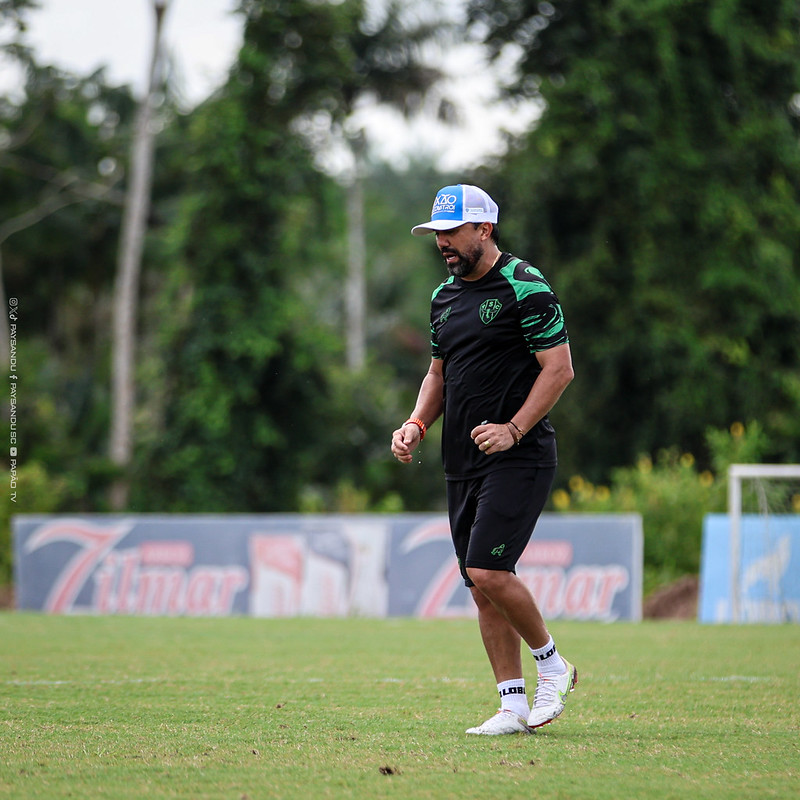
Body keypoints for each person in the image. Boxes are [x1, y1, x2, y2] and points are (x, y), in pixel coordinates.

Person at [391, 184, 577, 735]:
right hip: (461, 461)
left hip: (521, 454)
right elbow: (438, 374)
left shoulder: (526, 285)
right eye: (437, 234)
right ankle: (512, 705)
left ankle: (553, 666)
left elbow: (559, 369)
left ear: (484, 229)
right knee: (481, 588)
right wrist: (416, 423)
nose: (442, 243)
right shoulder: (442, 297)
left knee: (488, 570)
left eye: (452, 232)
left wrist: (513, 429)